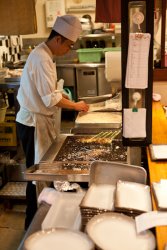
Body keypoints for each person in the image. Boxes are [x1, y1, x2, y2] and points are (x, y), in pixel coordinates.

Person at [16, 15, 89, 230]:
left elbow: (52, 93)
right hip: (32, 125)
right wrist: (76, 105)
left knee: (39, 174)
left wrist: (69, 101)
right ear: (58, 39)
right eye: (68, 45)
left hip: (37, 121)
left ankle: (41, 221)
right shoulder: (41, 58)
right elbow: (52, 99)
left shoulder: (46, 54)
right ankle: (31, 226)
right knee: (35, 176)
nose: (68, 50)